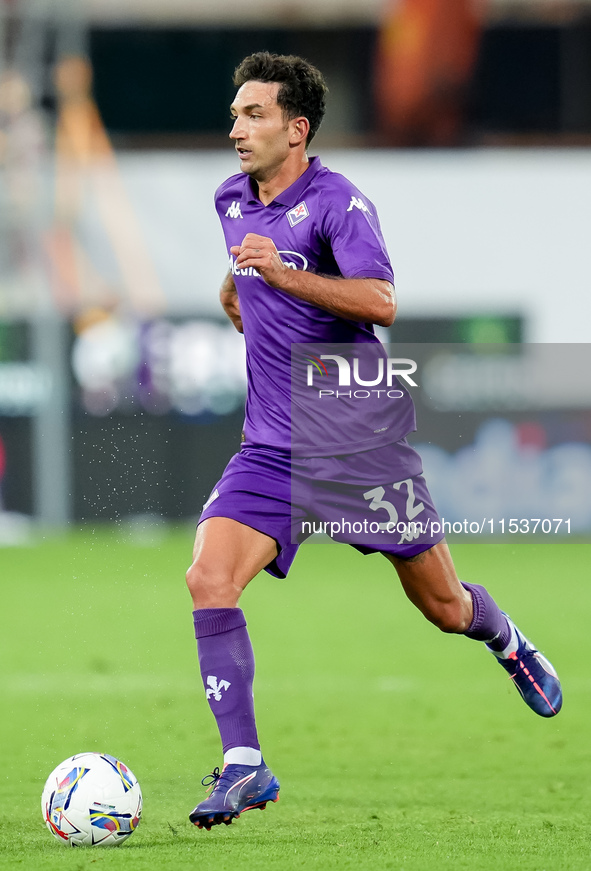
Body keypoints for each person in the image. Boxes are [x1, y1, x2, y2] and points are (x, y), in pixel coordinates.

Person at [185, 51, 562, 831]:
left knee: (445, 608)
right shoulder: (229, 199)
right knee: (207, 580)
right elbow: (243, 280)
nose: (235, 130)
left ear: (296, 129)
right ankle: (244, 767)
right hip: (273, 449)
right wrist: (237, 294)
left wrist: (284, 279)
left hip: (357, 447)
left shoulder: (338, 203)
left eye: (252, 115)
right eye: (233, 114)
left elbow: (381, 300)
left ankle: (506, 638)